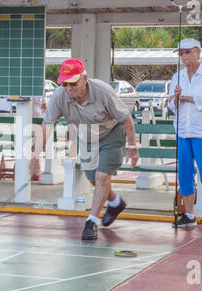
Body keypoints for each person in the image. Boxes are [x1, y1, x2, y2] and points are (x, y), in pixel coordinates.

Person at [29, 58, 139, 240]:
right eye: (64, 83)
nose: (68, 87)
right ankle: (116, 202)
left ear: (84, 78)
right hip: (88, 138)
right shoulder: (60, 96)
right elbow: (47, 125)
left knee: (102, 176)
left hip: (111, 133)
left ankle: (91, 222)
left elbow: (126, 119)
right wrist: (35, 156)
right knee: (93, 178)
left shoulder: (103, 92)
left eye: (73, 82)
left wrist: (133, 147)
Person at [168, 38, 202, 231]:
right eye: (180, 53)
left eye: (186, 52)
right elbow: (171, 104)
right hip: (183, 130)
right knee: (185, 174)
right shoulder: (177, 76)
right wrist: (175, 98)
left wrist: (184, 97)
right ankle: (189, 214)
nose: (183, 56)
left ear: (197, 52)